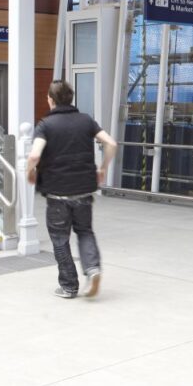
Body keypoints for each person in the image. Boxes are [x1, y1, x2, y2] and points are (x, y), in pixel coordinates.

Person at [27, 80, 118, 300]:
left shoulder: (45, 125)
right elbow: (111, 143)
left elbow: (34, 155)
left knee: (60, 239)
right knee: (85, 231)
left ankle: (68, 286)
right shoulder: (86, 121)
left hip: (57, 193)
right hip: (84, 190)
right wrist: (103, 168)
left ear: (50, 99)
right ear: (71, 98)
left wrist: (30, 172)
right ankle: (93, 268)